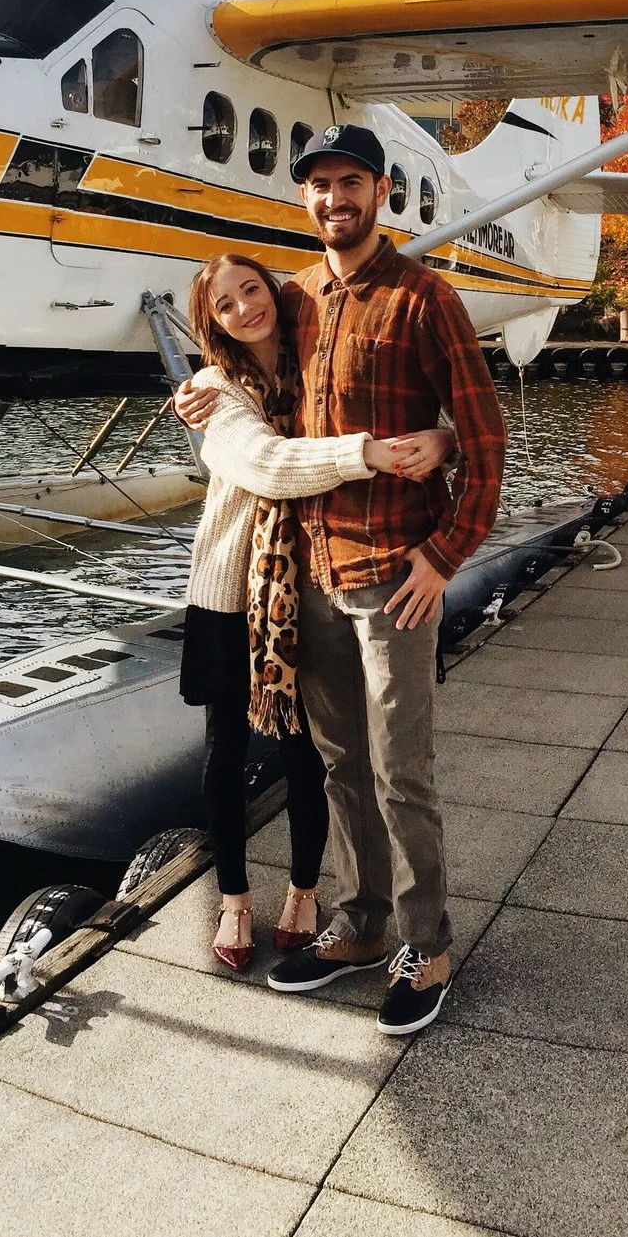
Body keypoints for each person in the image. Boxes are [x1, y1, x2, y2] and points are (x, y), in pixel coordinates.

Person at [178, 124, 506, 1037]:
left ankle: (426, 943)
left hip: (393, 573)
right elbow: (236, 351)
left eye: (351, 181)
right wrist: (198, 385)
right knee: (339, 765)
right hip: (307, 574)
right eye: (319, 185)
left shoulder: (425, 298)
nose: (335, 199)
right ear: (305, 199)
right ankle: (358, 927)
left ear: (383, 189)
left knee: (402, 770)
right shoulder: (296, 297)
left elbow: (483, 441)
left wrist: (444, 556)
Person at [179, 253, 453, 972]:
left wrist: (445, 441)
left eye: (251, 289)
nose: (245, 308)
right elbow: (269, 463)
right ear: (212, 323)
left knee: (314, 749)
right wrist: (372, 454)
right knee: (225, 750)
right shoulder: (213, 388)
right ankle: (235, 898)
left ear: (275, 289)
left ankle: (307, 891)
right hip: (233, 591)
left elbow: (408, 405)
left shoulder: (308, 369)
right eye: (225, 304)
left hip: (308, 584)